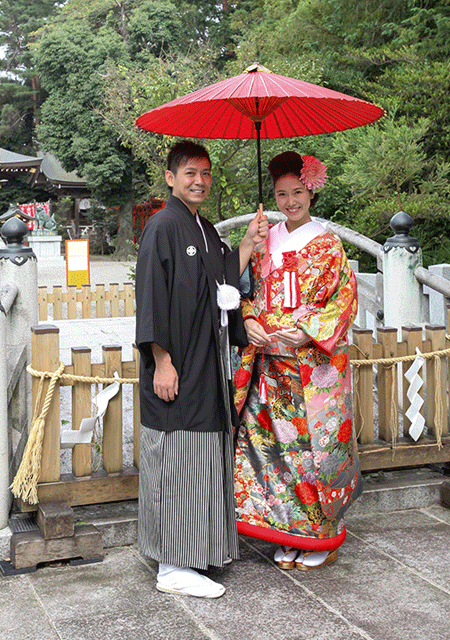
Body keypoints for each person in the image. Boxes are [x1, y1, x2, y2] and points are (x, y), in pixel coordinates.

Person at [135, 140, 268, 598]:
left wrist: (249, 242)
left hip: (208, 367)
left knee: (204, 460)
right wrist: (161, 361)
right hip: (177, 365)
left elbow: (225, 283)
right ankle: (172, 565)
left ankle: (198, 552)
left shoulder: (206, 229)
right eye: (190, 172)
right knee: (177, 461)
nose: (200, 180)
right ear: (171, 177)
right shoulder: (162, 226)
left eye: (206, 173)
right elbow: (150, 297)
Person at [233, 151, 362, 571]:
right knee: (273, 451)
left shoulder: (327, 243)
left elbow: (343, 299)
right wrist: (249, 317)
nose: (290, 202)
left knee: (312, 451)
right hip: (269, 362)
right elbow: (247, 291)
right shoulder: (264, 239)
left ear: (312, 192)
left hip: (311, 366)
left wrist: (309, 330)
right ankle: (288, 530)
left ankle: (320, 536)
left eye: (298, 193)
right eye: (282, 194)